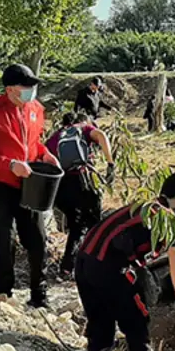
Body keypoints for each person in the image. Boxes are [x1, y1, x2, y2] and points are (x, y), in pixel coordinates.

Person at [75, 170, 175, 351]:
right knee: (137, 321)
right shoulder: (169, 221)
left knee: (100, 325)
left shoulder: (141, 207)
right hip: (110, 269)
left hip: (84, 261)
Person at [0, 64, 61, 308]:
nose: (31, 91)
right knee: (3, 239)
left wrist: (44, 154)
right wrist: (9, 164)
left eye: (33, 86)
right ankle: (5, 293)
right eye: (26, 87)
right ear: (10, 89)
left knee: (37, 238)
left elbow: (35, 142)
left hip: (30, 182)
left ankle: (39, 294)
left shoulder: (36, 109)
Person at [45, 112, 115, 276]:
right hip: (83, 182)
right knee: (95, 226)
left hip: (62, 187)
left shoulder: (55, 137)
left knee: (77, 227)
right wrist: (110, 163)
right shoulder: (83, 128)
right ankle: (99, 263)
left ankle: (67, 267)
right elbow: (101, 135)